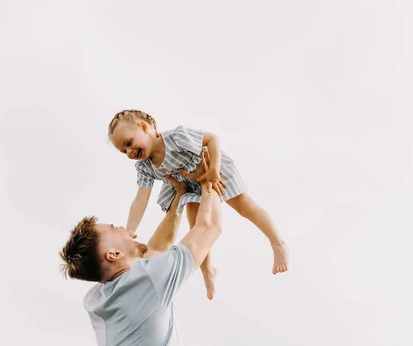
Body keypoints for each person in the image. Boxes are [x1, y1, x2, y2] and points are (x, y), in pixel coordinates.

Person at [107, 109, 289, 300]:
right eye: (123, 151)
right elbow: (140, 198)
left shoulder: (176, 138)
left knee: (245, 206)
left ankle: (277, 242)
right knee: (196, 229)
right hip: (189, 185)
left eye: (129, 143)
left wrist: (214, 170)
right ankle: (207, 270)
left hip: (211, 169)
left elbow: (213, 140)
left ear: (144, 127)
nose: (129, 152)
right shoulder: (145, 167)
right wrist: (129, 230)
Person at [60, 153, 222, 346]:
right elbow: (210, 227)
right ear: (113, 255)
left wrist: (180, 197)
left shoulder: (98, 298)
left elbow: (154, 250)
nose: (122, 227)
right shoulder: (146, 281)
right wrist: (210, 180)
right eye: (115, 230)